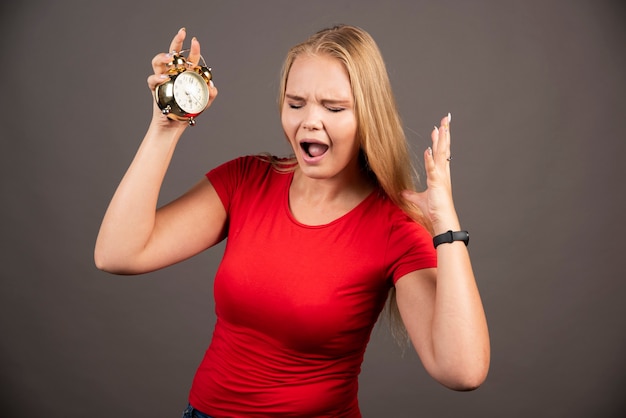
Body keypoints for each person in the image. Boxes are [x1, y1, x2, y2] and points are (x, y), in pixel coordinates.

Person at [95, 24, 490, 418]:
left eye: (333, 108)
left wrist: (446, 227)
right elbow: (118, 253)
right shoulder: (247, 181)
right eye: (295, 103)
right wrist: (166, 128)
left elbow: (463, 370)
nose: (309, 121)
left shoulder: (394, 228)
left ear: (369, 116)